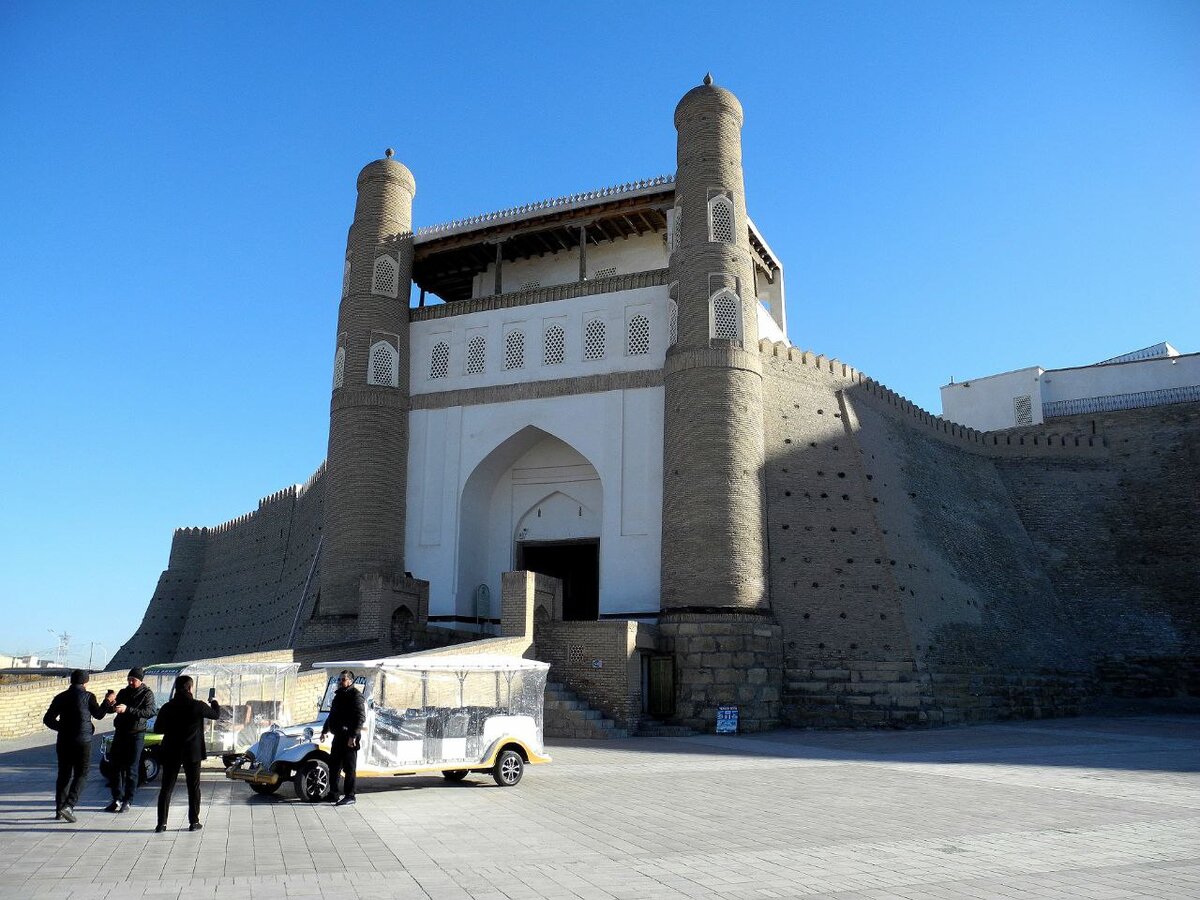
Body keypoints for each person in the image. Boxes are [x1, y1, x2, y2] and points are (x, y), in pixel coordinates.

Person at [42, 669, 114, 822]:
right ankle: (69, 806)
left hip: (64, 741)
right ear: (86, 682)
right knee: (82, 774)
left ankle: (59, 810)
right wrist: (108, 701)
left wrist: (63, 728)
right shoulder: (88, 696)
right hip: (83, 741)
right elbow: (99, 715)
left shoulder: (60, 697)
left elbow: (48, 719)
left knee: (64, 775)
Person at [153, 674, 219, 832]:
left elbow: (158, 729)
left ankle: (161, 824)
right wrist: (214, 701)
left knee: (166, 788)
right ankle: (193, 822)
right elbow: (216, 715)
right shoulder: (198, 705)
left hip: (171, 750)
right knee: (193, 787)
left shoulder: (167, 707)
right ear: (190, 688)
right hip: (192, 752)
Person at [103, 666, 157, 812]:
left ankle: (128, 800)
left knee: (132, 768)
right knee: (115, 767)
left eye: (134, 680)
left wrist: (128, 709)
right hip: (120, 732)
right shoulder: (123, 692)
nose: (131, 682)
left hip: (136, 734)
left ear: (140, 680)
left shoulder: (147, 694)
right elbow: (112, 710)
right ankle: (116, 799)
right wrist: (110, 703)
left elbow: (150, 712)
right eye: (129, 679)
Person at [320, 669, 365, 806]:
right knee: (334, 766)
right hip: (338, 736)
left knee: (349, 768)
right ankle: (333, 793)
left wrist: (353, 736)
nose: (340, 682)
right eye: (339, 680)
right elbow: (332, 715)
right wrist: (324, 730)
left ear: (350, 681)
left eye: (343, 680)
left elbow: (360, 718)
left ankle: (350, 796)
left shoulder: (356, 696)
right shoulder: (338, 696)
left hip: (350, 738)